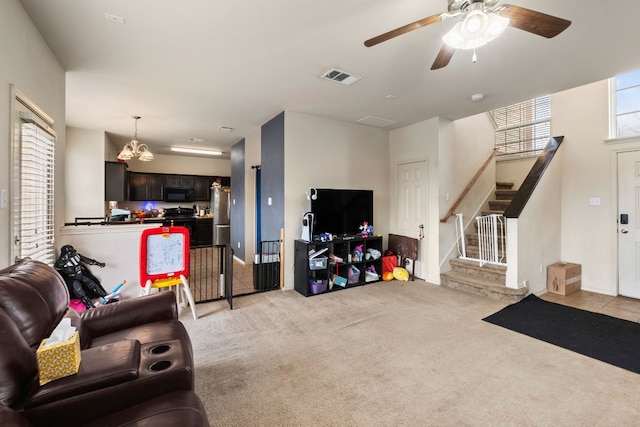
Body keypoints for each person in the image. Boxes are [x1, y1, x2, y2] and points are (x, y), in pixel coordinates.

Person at [54, 245, 108, 309]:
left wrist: (98, 263)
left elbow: (87, 260)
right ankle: (90, 306)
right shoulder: (62, 262)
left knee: (93, 284)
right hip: (72, 278)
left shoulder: (77, 256)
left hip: (80, 275)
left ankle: (106, 296)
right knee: (80, 292)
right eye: (70, 252)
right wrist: (65, 258)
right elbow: (57, 266)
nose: (72, 254)